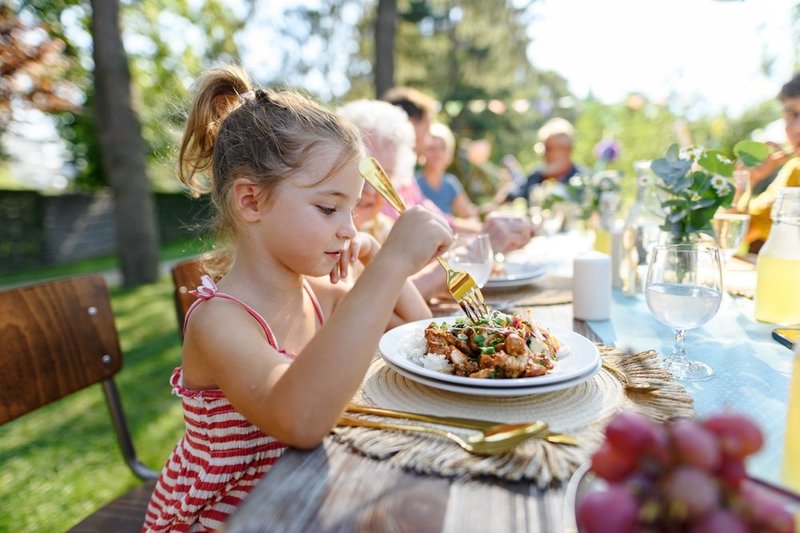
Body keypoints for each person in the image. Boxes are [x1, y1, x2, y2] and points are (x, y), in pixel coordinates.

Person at [142, 65, 452, 532]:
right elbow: (300, 418)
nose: (348, 226)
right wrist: (391, 264)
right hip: (230, 520)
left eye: (351, 208)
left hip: (303, 496)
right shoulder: (220, 323)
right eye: (329, 208)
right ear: (251, 202)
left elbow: (422, 334)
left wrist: (375, 257)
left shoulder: (317, 291)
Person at [745, 72, 800, 252]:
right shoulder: (795, 173)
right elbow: (732, 236)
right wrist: (747, 182)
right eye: (792, 115)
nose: (798, 128)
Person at [508, 117, 585, 204]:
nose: (545, 154)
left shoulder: (583, 179)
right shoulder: (537, 176)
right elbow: (514, 195)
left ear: (568, 150)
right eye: (544, 148)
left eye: (550, 149)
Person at [418, 122, 479, 218]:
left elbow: (468, 215)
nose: (437, 153)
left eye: (442, 148)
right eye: (431, 148)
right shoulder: (414, 183)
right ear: (422, 152)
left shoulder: (450, 183)